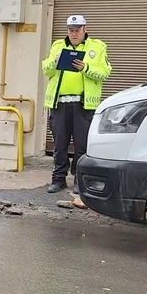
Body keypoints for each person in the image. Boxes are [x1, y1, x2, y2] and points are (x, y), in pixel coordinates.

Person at [41, 15, 111, 193]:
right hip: (60, 104)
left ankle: (80, 180)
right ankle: (58, 179)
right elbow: (45, 69)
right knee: (60, 145)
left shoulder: (97, 47)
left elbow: (105, 72)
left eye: (77, 30)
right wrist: (55, 62)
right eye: (71, 30)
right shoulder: (58, 46)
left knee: (82, 145)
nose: (74, 34)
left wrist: (85, 68)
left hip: (83, 105)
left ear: (85, 29)